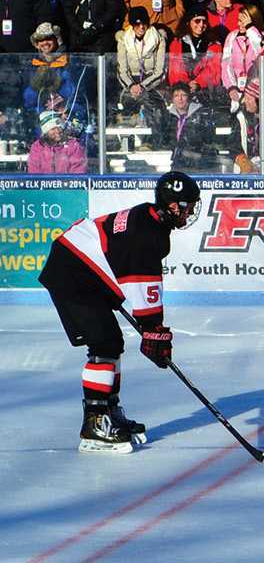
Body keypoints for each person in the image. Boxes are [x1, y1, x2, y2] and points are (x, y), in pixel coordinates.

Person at [38, 172, 202, 452]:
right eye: (188, 206)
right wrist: (154, 330)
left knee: (112, 342)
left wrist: (152, 329)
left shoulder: (150, 218)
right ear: (173, 205)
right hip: (71, 272)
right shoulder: (150, 233)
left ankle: (108, 412)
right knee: (104, 343)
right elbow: (142, 284)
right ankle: (95, 424)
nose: (190, 212)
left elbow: (122, 260)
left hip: (81, 268)